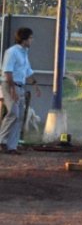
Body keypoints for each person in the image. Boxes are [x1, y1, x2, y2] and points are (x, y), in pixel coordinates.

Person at [0, 27, 41, 155]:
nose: (31, 40)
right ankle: (2, 140)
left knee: (19, 117)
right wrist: (12, 89)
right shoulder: (12, 52)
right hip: (10, 85)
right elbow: (7, 71)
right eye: (30, 38)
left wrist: (35, 85)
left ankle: (12, 146)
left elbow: (27, 70)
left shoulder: (24, 52)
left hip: (20, 86)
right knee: (13, 113)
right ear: (24, 39)